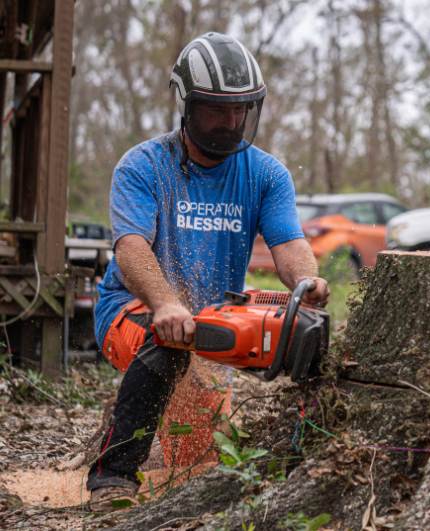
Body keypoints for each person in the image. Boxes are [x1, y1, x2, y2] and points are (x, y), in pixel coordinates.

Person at [86, 32, 329, 510]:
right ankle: (110, 478)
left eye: (241, 109)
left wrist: (307, 282)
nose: (231, 121)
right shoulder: (143, 166)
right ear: (187, 105)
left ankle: (149, 446)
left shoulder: (266, 174)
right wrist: (167, 302)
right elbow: (132, 249)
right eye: (218, 110)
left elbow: (290, 243)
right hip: (134, 311)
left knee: (197, 459)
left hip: (213, 322)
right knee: (172, 345)